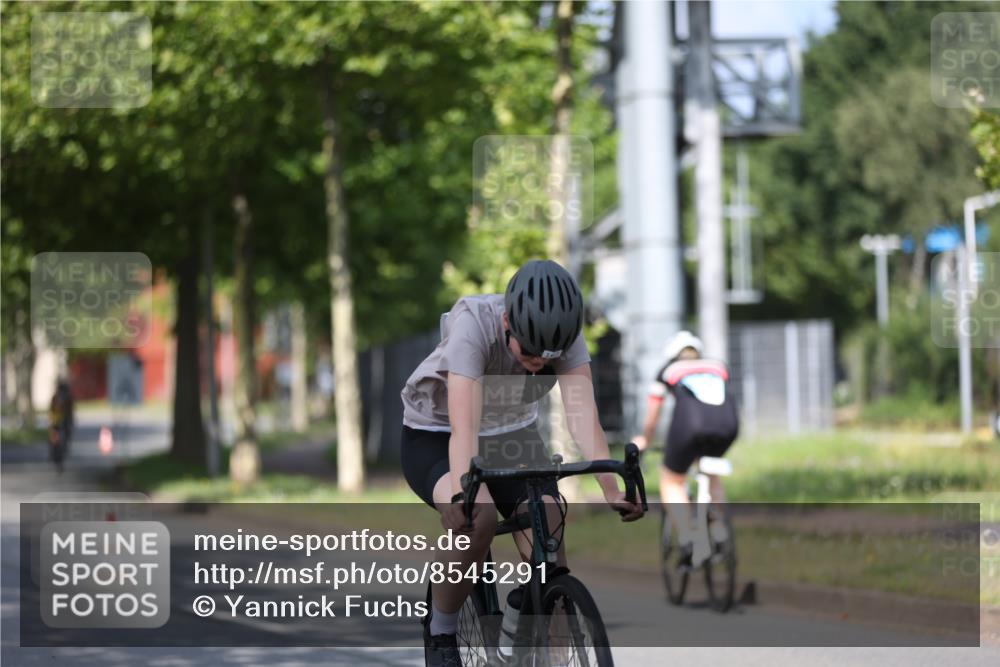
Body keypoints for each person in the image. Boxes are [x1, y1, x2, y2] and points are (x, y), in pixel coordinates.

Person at [400, 259, 643, 666]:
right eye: (528, 351)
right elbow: (464, 431)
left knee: (548, 522)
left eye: (549, 357)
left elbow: (583, 417)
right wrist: (464, 493)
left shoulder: (565, 333)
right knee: (478, 518)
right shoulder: (473, 327)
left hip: (511, 432)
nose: (537, 362)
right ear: (508, 320)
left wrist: (610, 487)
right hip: (437, 434)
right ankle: (440, 630)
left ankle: (545, 642)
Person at [633, 331, 739, 564]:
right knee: (711, 473)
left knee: (671, 480)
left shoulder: (667, 370)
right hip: (728, 426)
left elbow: (653, 416)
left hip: (690, 426)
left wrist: (646, 440)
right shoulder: (718, 366)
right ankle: (720, 531)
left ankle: (689, 538)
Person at [48, 379, 75, 472]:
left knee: (56, 441)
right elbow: (71, 412)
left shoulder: (55, 397)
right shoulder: (67, 398)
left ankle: (56, 453)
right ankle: (58, 453)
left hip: (57, 422)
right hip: (62, 423)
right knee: (62, 440)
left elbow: (51, 411)